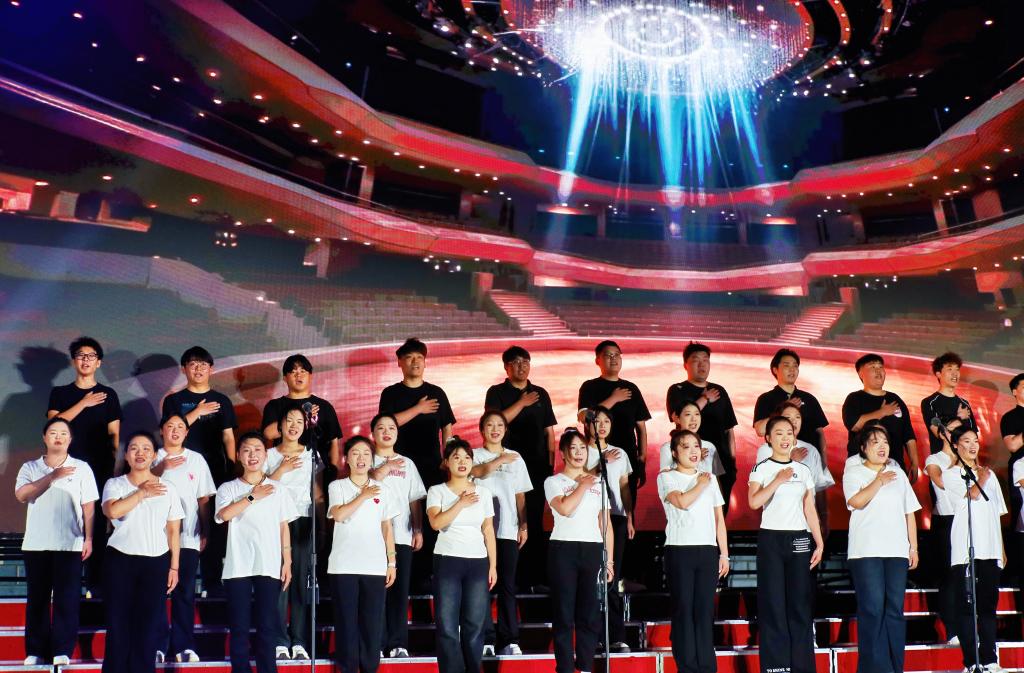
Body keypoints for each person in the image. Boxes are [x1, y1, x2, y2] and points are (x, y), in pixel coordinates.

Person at [16, 417, 99, 667]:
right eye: (53, 432)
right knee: (38, 599)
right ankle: (35, 649)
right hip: (36, 544)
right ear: (44, 437)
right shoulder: (30, 467)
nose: (58, 437)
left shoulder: (81, 468)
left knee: (67, 599)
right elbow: (22, 495)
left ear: (70, 439)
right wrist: (53, 476)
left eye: (63, 433)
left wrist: (89, 538)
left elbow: (89, 506)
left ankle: (62, 648)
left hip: (70, 543)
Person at [101, 431, 183, 673]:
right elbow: (112, 511)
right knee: (118, 626)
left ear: (155, 455)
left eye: (146, 449)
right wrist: (141, 492)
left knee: (147, 628)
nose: (140, 453)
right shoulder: (115, 484)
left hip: (155, 561)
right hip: (120, 559)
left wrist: (174, 566)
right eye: (134, 448)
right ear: (126, 455)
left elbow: (173, 530)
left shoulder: (168, 488)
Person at [215, 432, 297, 673]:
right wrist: (252, 496)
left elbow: (284, 526)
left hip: (268, 564)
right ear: (239, 455)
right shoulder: (228, 488)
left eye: (257, 450)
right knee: (239, 627)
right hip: (238, 566)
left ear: (265, 455)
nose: (252, 455)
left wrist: (287, 561)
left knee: (267, 626)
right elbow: (224, 515)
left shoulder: (278, 489)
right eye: (247, 450)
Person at [748, 416, 824, 673]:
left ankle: (803, 666)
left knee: (800, 604)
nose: (785, 438)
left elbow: (809, 507)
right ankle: (776, 667)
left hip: (799, 538)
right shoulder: (761, 468)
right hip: (771, 538)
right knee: (773, 604)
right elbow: (754, 502)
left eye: (789, 433)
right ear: (768, 438)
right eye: (779, 433)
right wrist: (778, 480)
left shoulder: (803, 470)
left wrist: (819, 542)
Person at [843, 425, 921, 673]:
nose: (882, 446)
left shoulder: (897, 474)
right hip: (866, 552)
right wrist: (878, 481)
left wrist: (913, 548)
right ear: (863, 448)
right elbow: (856, 501)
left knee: (894, 610)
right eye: (875, 442)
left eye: (885, 442)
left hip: (896, 551)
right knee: (872, 609)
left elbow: (910, 512)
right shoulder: (854, 472)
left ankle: (895, 667)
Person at [47, 336, 121, 595]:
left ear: (98, 362)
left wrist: (111, 469)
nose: (86, 360)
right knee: (65, 519)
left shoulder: (109, 395)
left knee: (96, 524)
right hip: (65, 467)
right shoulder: (60, 393)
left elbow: (114, 435)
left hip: (99, 467)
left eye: (91, 356)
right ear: (73, 361)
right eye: (81, 355)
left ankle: (95, 584)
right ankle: (64, 584)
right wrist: (84, 403)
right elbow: (53, 425)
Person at [378, 338, 455, 588]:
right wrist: (418, 409)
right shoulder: (391, 393)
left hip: (432, 467)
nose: (415, 362)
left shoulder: (437, 393)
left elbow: (447, 428)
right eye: (409, 357)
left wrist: (448, 457)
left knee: (431, 520)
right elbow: (387, 424)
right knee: (400, 520)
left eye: (420, 358)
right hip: (398, 470)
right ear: (399, 362)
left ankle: (426, 576)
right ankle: (399, 574)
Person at [162, 345, 237, 595]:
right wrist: (198, 412)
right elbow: (172, 429)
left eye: (203, 364)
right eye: (193, 364)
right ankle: (171, 582)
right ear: (184, 369)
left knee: (210, 528)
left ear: (211, 369)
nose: (198, 369)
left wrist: (231, 467)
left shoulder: (222, 401)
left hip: (214, 471)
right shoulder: (173, 400)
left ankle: (212, 583)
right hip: (177, 471)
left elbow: (228, 437)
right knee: (175, 524)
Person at [484, 346, 557, 591]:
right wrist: (522, 402)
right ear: (506, 367)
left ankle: (532, 580)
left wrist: (550, 465)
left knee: (532, 521)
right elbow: (495, 421)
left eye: (525, 361)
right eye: (515, 362)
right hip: (504, 468)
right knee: (503, 521)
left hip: (536, 468)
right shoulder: (496, 392)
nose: (521, 366)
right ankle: (502, 579)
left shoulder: (540, 393)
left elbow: (549, 432)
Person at [658, 429, 729, 673]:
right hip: (679, 550)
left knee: (704, 611)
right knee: (684, 610)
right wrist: (700, 484)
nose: (693, 451)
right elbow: (682, 502)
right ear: (674, 452)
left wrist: (724, 553)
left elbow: (719, 518)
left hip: (707, 551)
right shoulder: (667, 477)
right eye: (686, 447)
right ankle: (687, 666)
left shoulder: (709, 478)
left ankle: (707, 666)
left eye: (696, 446)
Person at [426, 437, 497, 673]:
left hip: (477, 562)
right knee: (447, 625)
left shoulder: (484, 493)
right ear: (446, 462)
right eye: (456, 457)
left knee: (474, 624)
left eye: (467, 457)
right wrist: (460, 503)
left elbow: (488, 529)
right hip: (447, 560)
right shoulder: (437, 491)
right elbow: (436, 523)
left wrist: (493, 565)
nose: (463, 462)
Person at [545, 429, 614, 673]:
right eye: (572, 448)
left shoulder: (599, 483)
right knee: (564, 613)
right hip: (563, 549)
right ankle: (564, 667)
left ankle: (585, 666)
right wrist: (582, 485)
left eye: (582, 448)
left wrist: (609, 561)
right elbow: (565, 508)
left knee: (589, 613)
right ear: (563, 453)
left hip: (592, 549)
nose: (578, 453)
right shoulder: (554, 482)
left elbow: (606, 524)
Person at [328, 436, 398, 673]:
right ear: (346, 459)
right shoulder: (337, 486)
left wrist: (392, 562)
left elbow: (387, 527)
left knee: (372, 624)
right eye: (355, 453)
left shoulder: (384, 490)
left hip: (374, 566)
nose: (361, 458)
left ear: (372, 459)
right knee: (346, 623)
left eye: (366, 454)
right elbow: (339, 515)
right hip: (343, 566)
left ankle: (369, 667)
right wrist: (363, 496)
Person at [942, 427, 1008, 673]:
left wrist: (1001, 549)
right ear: (956, 445)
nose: (972, 446)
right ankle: (971, 661)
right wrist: (981, 478)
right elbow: (971, 496)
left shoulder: (989, 475)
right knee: (966, 608)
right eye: (966, 441)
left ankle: (990, 659)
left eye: (975, 441)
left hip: (990, 549)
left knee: (988, 607)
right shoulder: (952, 475)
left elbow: (996, 514)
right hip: (965, 552)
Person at [152, 414, 216, 663]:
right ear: (161, 431)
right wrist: (162, 467)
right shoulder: (152, 456)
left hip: (188, 536)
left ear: (187, 433)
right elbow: (137, 485)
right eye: (170, 426)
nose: (175, 430)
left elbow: (203, 498)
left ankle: (183, 645)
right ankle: (157, 645)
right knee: (156, 593)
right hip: (155, 537)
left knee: (185, 592)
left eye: (180, 427)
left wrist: (205, 530)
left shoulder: (196, 460)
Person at [264, 404, 323, 660]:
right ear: (280, 425)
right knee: (280, 580)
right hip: (275, 521)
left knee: (300, 581)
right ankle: (279, 641)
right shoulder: (268, 454)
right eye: (289, 420)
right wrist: (281, 469)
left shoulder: (312, 454)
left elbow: (317, 493)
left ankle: (299, 641)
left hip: (303, 520)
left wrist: (321, 527)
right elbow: (260, 488)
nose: (294, 425)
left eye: (299, 421)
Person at [472, 410, 533, 656]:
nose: (495, 429)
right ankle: (486, 638)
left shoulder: (516, 458)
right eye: (490, 425)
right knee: (482, 585)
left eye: (500, 425)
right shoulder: (474, 455)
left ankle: (510, 639)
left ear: (506, 430)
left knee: (507, 585)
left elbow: (520, 495)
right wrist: (499, 460)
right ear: (482, 430)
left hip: (507, 529)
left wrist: (523, 525)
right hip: (479, 531)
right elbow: (475, 473)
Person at [752, 349, 830, 533]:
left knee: (812, 505)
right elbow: (760, 430)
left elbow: (819, 432)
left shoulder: (809, 399)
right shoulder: (766, 399)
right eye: (786, 365)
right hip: (779, 461)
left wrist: (823, 460)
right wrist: (782, 411)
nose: (792, 369)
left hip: (808, 457)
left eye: (795, 366)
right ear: (775, 370)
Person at [368, 413, 426, 659]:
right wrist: (385, 468)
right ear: (373, 434)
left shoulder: (407, 463)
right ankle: (377, 643)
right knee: (376, 592)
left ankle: (398, 643)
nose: (386, 432)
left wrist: (418, 529)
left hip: (401, 535)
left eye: (391, 428)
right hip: (372, 537)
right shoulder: (365, 458)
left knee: (399, 592)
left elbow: (414, 499)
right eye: (381, 428)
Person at [583, 406, 633, 652]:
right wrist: (601, 463)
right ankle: (593, 635)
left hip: (616, 516)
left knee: (613, 575)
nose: (602, 425)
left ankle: (615, 634)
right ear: (588, 424)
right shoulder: (582, 451)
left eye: (606, 421)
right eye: (597, 421)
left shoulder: (620, 453)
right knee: (592, 576)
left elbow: (624, 486)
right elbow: (578, 479)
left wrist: (629, 516)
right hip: (590, 516)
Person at [667, 343, 738, 515]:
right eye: (696, 360)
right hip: (689, 461)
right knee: (693, 509)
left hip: (720, 459)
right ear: (686, 365)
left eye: (706, 360)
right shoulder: (677, 390)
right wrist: (705, 398)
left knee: (720, 511)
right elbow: (677, 416)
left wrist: (732, 461)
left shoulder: (719, 390)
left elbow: (729, 429)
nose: (702, 364)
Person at [578, 340, 651, 503]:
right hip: (596, 457)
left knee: (626, 506)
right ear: (597, 360)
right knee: (595, 503)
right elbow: (585, 417)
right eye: (608, 355)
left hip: (627, 457)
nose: (614, 358)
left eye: (617, 355)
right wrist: (614, 399)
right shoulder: (589, 386)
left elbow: (641, 428)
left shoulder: (631, 388)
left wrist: (641, 459)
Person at [754, 402, 834, 537]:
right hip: (776, 525)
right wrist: (791, 461)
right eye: (788, 417)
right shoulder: (766, 450)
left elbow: (819, 487)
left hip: (806, 525)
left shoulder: (811, 450)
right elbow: (762, 490)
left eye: (797, 417)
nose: (794, 421)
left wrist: (824, 517)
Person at [841, 354, 919, 481]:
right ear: (861, 373)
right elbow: (854, 425)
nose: (878, 370)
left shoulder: (895, 399)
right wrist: (882, 412)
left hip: (894, 467)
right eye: (872, 367)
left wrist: (914, 463)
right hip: (863, 468)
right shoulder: (854, 398)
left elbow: (908, 435)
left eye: (880, 367)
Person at [261, 353, 343, 473]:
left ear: (310, 376)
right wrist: (301, 415)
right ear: (285, 378)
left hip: (317, 472)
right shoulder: (274, 405)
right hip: (283, 469)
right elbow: (268, 434)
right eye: (293, 372)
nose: (298, 375)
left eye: (303, 371)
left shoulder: (324, 406)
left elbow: (334, 443)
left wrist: (333, 471)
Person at [923, 417, 961, 642]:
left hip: (966, 518)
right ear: (942, 433)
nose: (957, 433)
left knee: (966, 576)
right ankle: (951, 629)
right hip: (946, 520)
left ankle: (966, 626)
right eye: (953, 429)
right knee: (950, 576)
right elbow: (939, 480)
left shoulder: (966, 458)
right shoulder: (934, 459)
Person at [921, 352, 977, 457]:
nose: (955, 374)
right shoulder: (929, 402)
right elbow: (939, 433)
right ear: (938, 374)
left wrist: (975, 464)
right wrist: (960, 418)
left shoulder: (964, 403)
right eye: (950, 369)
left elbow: (974, 438)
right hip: (943, 461)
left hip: (966, 461)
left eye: (957, 369)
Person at [658, 399, 723, 476]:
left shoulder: (710, 446)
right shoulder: (668, 448)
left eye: (697, 414)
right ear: (677, 418)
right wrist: (696, 459)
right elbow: (664, 478)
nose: (693, 419)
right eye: (688, 414)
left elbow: (716, 478)